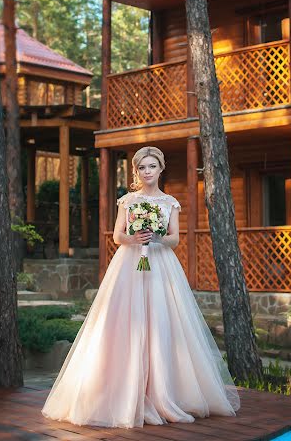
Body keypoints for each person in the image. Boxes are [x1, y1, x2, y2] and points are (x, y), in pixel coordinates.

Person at [42, 146, 240, 428]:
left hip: (161, 266)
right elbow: (117, 236)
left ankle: (165, 392)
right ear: (137, 171)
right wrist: (134, 239)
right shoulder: (128, 201)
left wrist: (156, 239)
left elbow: (175, 239)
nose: (147, 172)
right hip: (129, 267)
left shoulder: (170, 202)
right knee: (124, 324)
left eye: (152, 166)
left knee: (161, 323)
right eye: (142, 167)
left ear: (161, 169)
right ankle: (123, 392)